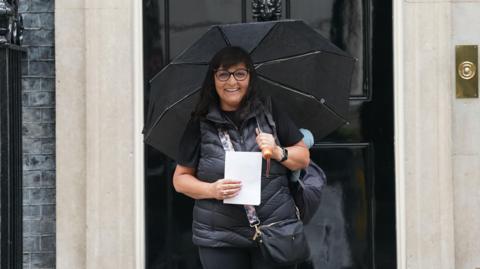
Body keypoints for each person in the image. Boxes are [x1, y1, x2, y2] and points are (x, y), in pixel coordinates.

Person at [173, 46, 310, 269]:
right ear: (213, 80)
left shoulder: (269, 111)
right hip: (219, 237)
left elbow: (303, 157)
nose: (232, 82)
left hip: (274, 230)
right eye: (223, 74)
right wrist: (212, 190)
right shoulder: (200, 122)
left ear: (250, 77)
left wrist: (278, 151)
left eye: (240, 73)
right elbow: (180, 179)